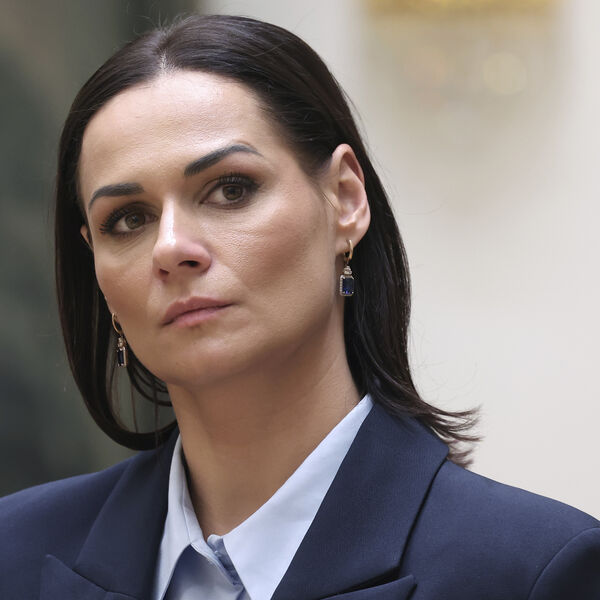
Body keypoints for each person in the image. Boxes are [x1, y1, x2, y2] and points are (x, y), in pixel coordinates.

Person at [1, 14, 598, 600]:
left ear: (345, 199)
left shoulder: (532, 571)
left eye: (231, 189)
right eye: (129, 219)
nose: (171, 248)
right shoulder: (13, 552)